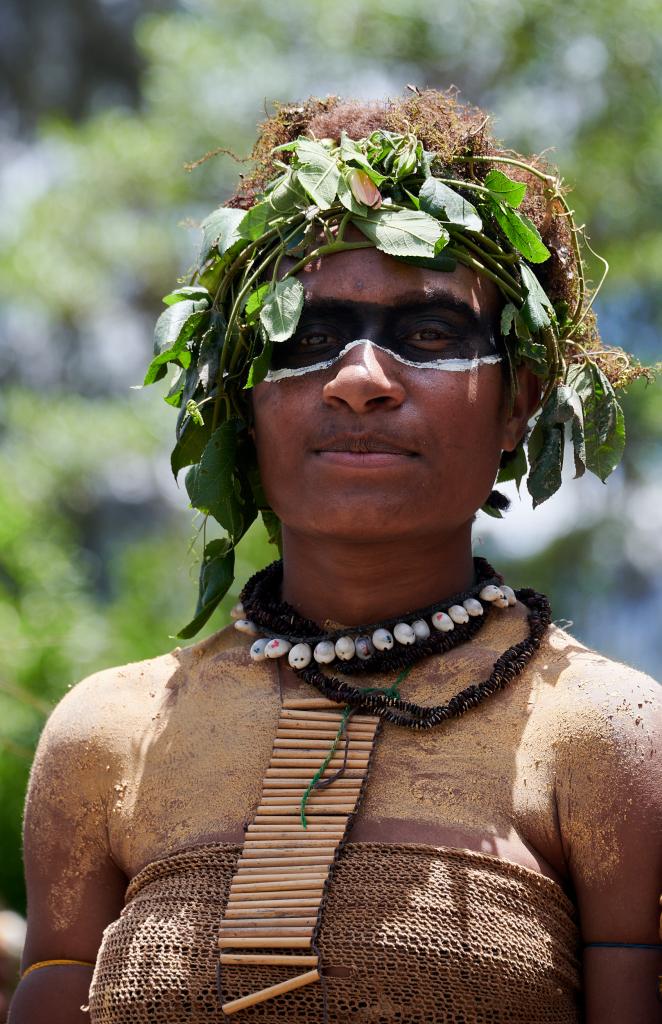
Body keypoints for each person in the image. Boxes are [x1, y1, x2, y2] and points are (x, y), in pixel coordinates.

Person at [9, 90, 661, 1024]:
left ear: (518, 400)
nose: (359, 380)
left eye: (429, 335)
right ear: (238, 400)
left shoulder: (611, 737)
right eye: (304, 340)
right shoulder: (106, 737)